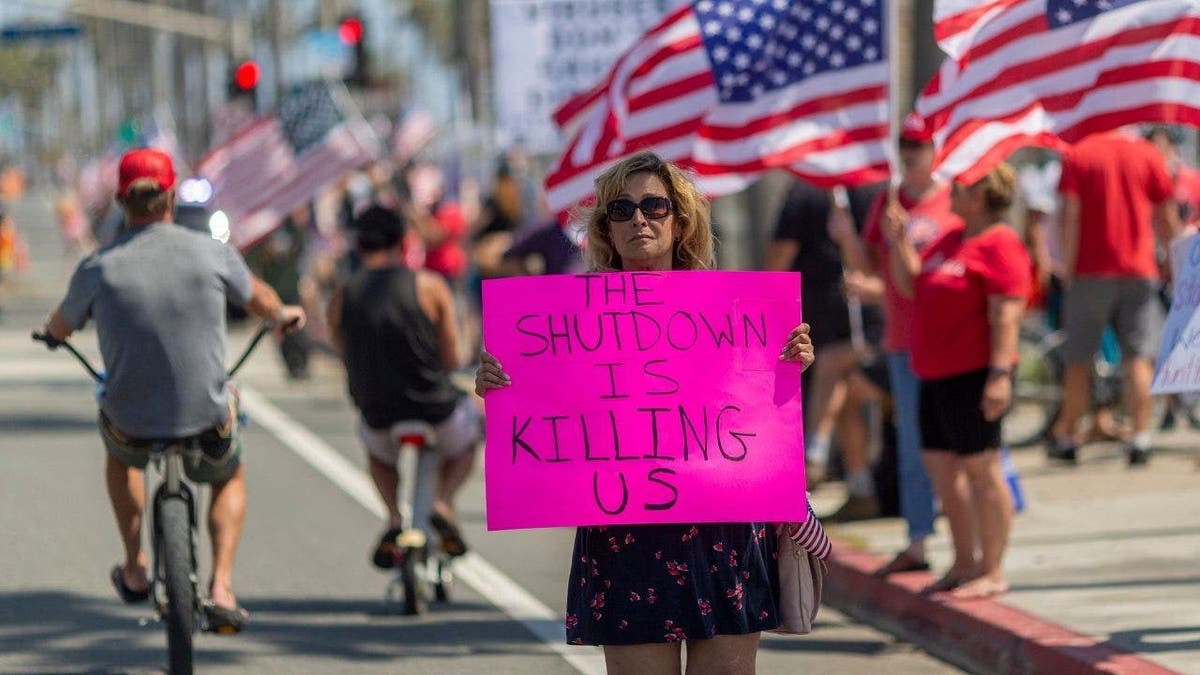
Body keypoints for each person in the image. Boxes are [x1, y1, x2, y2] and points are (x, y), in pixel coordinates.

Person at [474, 151, 816, 675]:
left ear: (679, 221)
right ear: (605, 229)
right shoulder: (570, 316)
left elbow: (758, 405)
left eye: (655, 206)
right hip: (626, 535)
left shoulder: (733, 307)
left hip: (721, 528)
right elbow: (549, 405)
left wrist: (790, 359)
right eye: (622, 209)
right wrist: (499, 386)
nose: (639, 219)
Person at [41, 148, 306, 631]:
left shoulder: (97, 267)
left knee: (119, 454)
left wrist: (54, 335)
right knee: (229, 471)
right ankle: (222, 586)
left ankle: (136, 566)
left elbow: (60, 326)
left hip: (131, 424)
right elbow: (264, 301)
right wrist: (282, 315)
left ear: (121, 201)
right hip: (207, 416)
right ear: (170, 197)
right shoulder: (212, 252)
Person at [829, 112, 962, 577]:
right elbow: (867, 269)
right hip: (903, 342)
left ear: (935, 151)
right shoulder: (886, 205)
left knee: (958, 446)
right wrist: (847, 238)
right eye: (905, 145)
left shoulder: (952, 203)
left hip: (952, 341)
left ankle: (969, 539)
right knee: (912, 443)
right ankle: (919, 537)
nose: (910, 154)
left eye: (919, 145)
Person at [888, 163, 1030, 599]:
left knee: (982, 471)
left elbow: (1007, 314)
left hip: (973, 375)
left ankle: (993, 568)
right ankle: (964, 562)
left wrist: (999, 375)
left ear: (983, 194)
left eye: (962, 185)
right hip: (934, 373)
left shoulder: (1000, 242)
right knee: (944, 473)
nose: (951, 190)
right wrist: (896, 241)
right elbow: (912, 286)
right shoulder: (952, 237)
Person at [326, 205, 481, 568]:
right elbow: (453, 357)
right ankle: (442, 501)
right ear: (402, 241)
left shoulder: (342, 295)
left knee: (378, 454)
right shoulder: (429, 286)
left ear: (358, 245)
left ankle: (394, 516)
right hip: (436, 409)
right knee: (468, 438)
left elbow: (343, 352)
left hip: (378, 413)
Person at [1048, 128, 1182, 465]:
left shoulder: (1078, 153)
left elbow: (1071, 217)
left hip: (1089, 271)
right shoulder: (1148, 154)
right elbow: (1166, 217)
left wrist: (1068, 270)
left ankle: (1067, 436)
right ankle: (1139, 436)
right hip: (1139, 269)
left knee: (1078, 359)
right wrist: (1174, 263)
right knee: (1137, 357)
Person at [766, 177, 886, 520]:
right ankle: (861, 488)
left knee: (833, 365)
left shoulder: (807, 191)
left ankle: (814, 455)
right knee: (843, 389)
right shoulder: (870, 189)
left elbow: (779, 256)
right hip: (844, 328)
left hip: (874, 334)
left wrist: (766, 310)